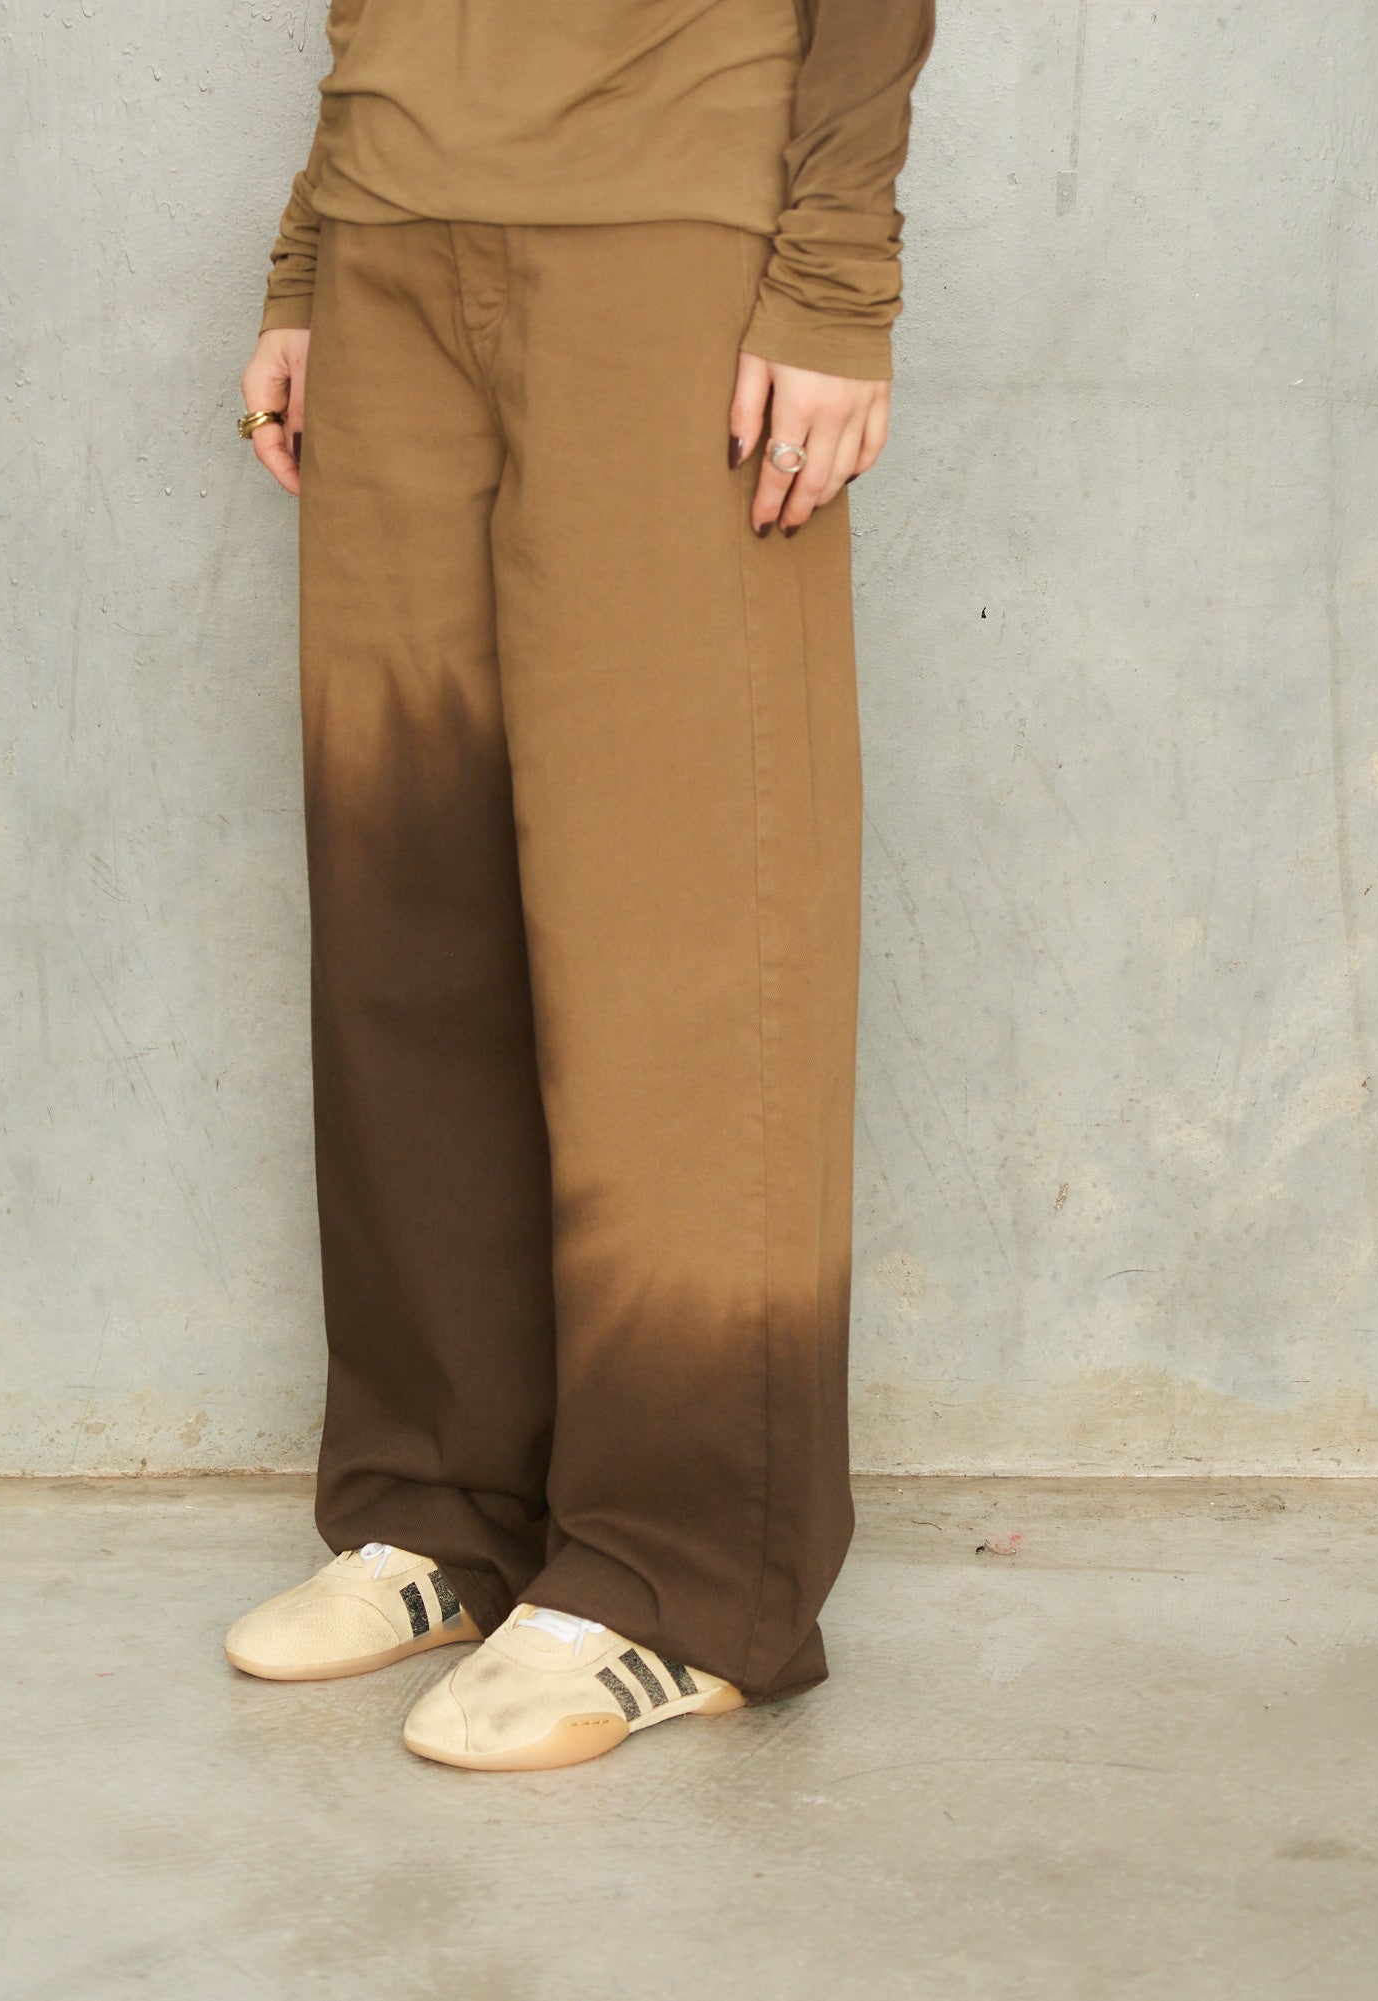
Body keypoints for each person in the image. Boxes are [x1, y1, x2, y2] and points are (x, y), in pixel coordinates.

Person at [226, 0, 935, 1772]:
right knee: (410, 900)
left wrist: (835, 275)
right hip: (394, 232)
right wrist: (314, 246)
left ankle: (688, 1574)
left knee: (680, 909)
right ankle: (446, 1504)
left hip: (672, 224)